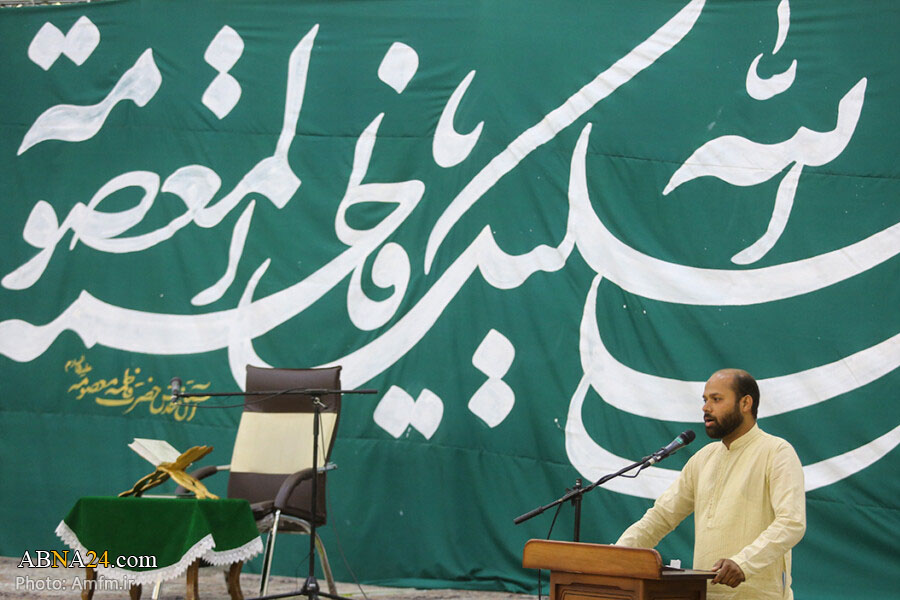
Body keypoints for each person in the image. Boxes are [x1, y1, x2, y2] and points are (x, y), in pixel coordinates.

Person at [615, 369, 806, 599]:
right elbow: (661, 517)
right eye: (705, 400)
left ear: (745, 403)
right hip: (705, 593)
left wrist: (743, 563)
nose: (706, 408)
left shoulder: (776, 452)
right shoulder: (704, 458)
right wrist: (614, 556)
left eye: (716, 399)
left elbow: (791, 523)